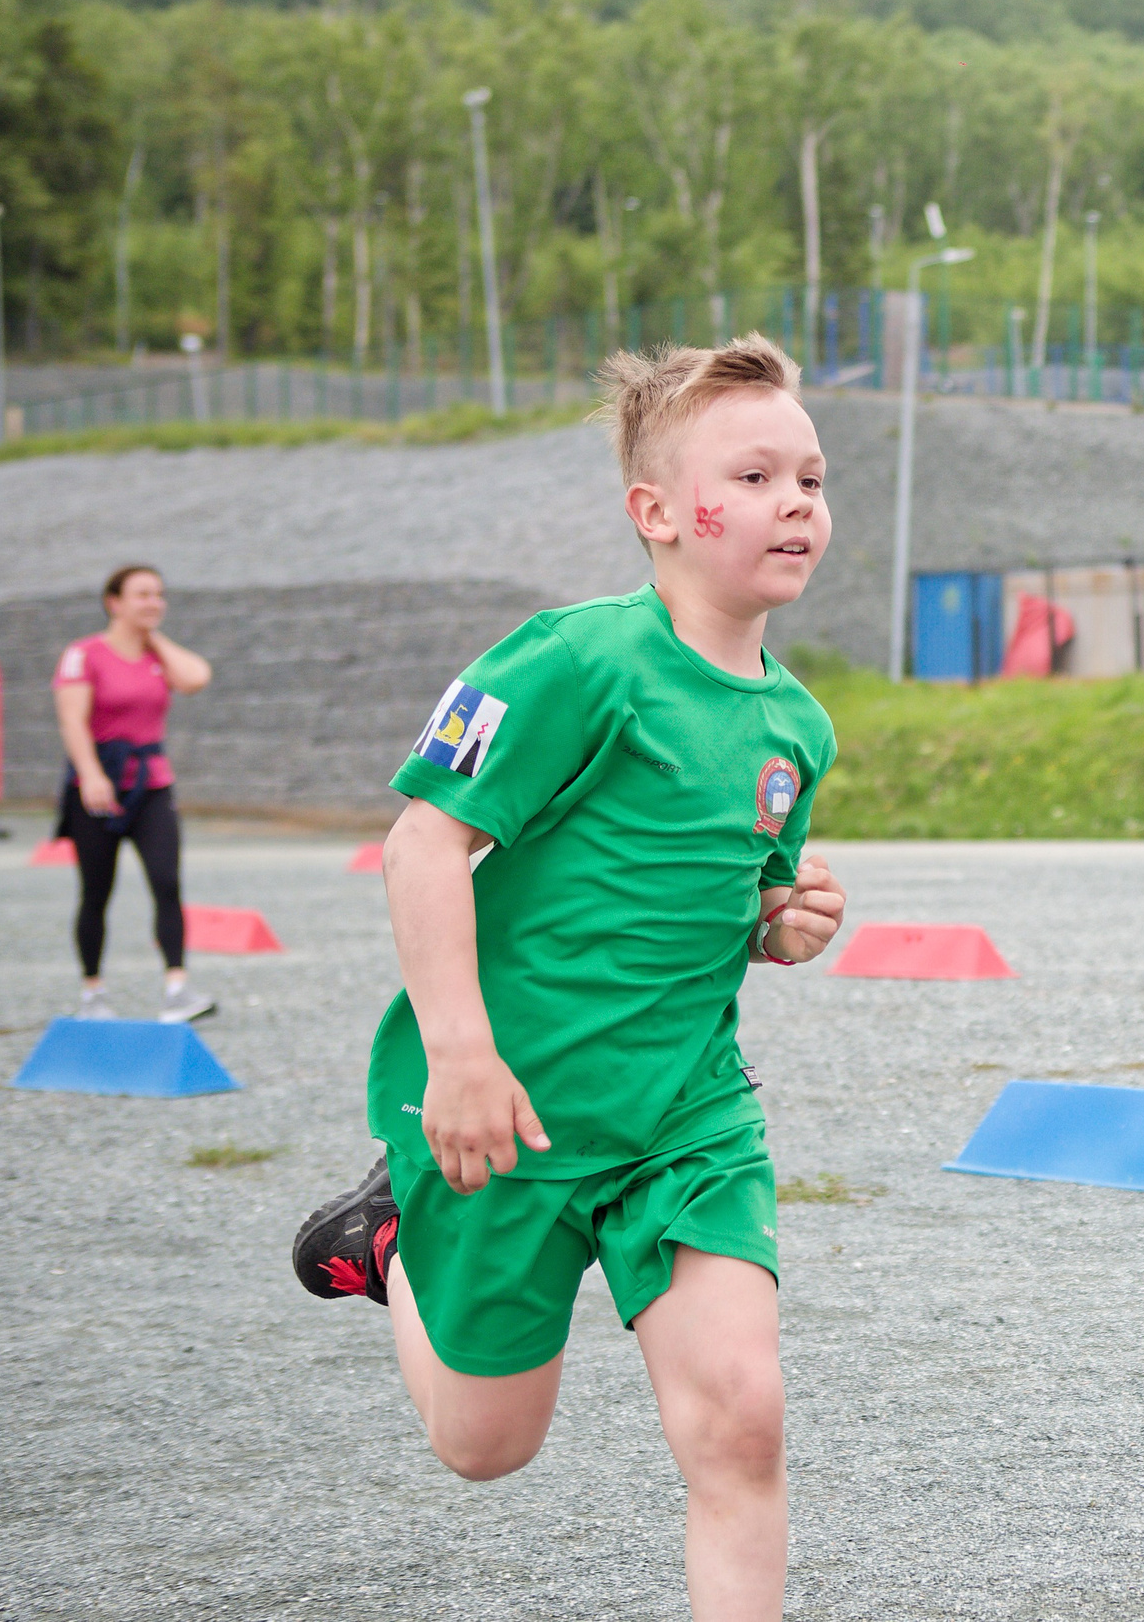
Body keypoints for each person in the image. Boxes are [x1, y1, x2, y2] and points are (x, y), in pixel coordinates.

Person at [289, 333, 845, 1622]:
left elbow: (736, 893)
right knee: (484, 1446)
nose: (796, 505)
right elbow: (423, 841)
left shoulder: (794, 725)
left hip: (684, 1122)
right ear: (656, 513)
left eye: (810, 480)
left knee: (742, 1420)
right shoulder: (572, 662)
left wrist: (782, 920)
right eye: (754, 476)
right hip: (508, 1108)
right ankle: (390, 1237)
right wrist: (460, 1058)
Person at [53, 564, 214, 1022]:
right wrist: (89, 775)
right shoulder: (83, 655)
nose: (154, 603)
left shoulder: (156, 655)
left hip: (153, 783)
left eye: (159, 595)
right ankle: (92, 991)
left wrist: (152, 638)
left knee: (167, 882)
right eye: (142, 595)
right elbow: (71, 720)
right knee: (96, 891)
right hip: (99, 781)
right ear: (114, 602)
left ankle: (177, 988)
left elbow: (196, 678)